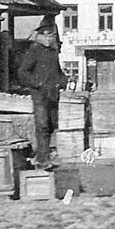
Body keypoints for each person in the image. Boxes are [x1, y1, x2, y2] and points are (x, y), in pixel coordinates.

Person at [16, 16, 67, 170]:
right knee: (42, 125)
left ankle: (44, 155)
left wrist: (64, 81)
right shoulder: (34, 50)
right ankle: (42, 160)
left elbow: (58, 72)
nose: (48, 38)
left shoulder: (53, 52)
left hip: (52, 94)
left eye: (50, 35)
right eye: (45, 34)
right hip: (39, 95)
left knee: (51, 125)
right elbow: (22, 72)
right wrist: (36, 83)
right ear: (39, 36)